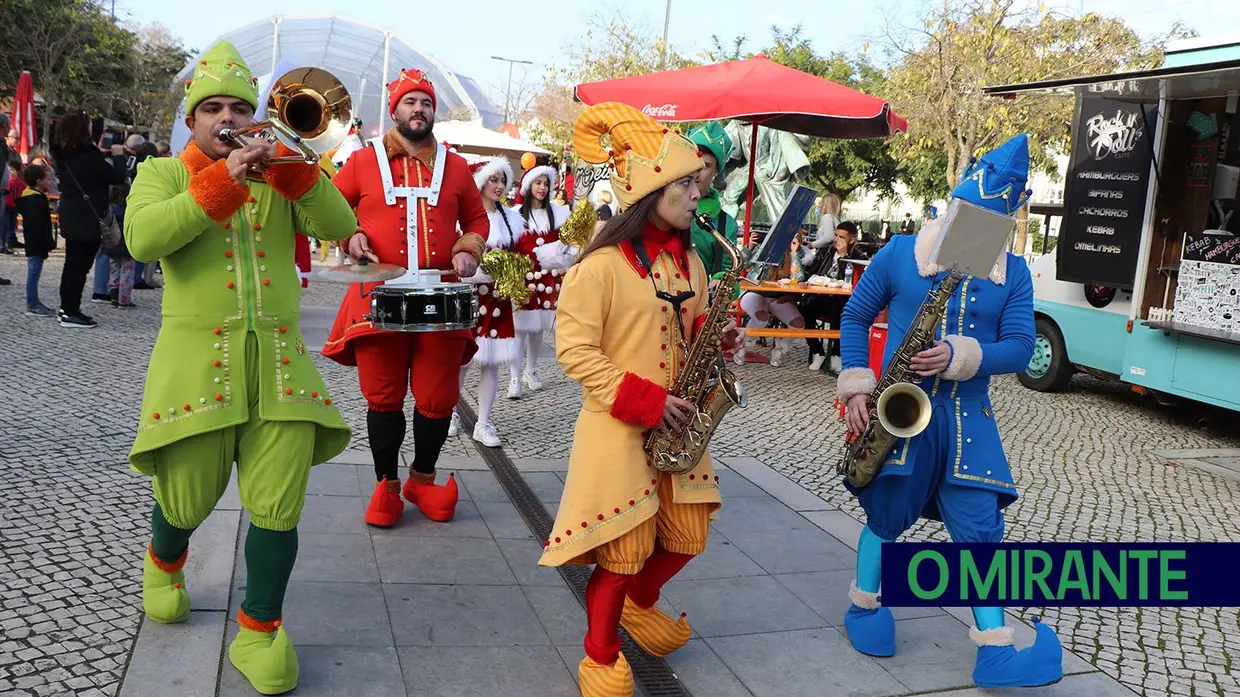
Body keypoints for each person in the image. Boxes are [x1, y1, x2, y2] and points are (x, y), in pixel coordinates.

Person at [123, 40, 356, 695]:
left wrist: (294, 172)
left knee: (278, 509)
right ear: (192, 120)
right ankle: (165, 559)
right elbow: (144, 239)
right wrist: (225, 178)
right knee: (187, 497)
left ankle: (259, 629)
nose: (227, 117)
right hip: (196, 370)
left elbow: (342, 221)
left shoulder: (281, 175)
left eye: (239, 108)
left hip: (281, 369)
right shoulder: (163, 173)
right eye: (213, 108)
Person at [836, 134, 1062, 688]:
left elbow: (1018, 346)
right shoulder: (898, 255)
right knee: (887, 517)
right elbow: (855, 319)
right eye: (968, 220)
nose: (975, 237)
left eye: (988, 227)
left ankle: (995, 649)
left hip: (967, 424)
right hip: (899, 417)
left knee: (981, 531)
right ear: (955, 205)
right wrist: (859, 386)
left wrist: (962, 355)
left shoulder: (1014, 275)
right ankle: (865, 606)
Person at [540, 102, 742, 697]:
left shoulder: (692, 265)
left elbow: (697, 329)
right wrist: (645, 400)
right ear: (649, 190)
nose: (695, 192)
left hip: (682, 424)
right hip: (619, 426)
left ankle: (638, 606)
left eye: (696, 181)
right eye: (684, 182)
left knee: (690, 533)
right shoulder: (598, 267)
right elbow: (575, 353)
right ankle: (600, 656)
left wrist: (720, 337)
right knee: (621, 551)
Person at [323, 68, 488, 527]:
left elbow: (477, 220)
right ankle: (386, 487)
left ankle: (422, 480)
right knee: (383, 395)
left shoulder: (455, 166)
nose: (419, 110)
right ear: (394, 109)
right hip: (378, 295)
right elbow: (331, 210)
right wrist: (349, 235)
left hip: (441, 299)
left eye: (426, 103)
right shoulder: (361, 161)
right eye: (410, 102)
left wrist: (467, 249)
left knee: (438, 396)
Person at [451, 157, 523, 448]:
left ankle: (483, 422)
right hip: (468, 298)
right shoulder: (461, 219)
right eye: (493, 179)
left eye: (503, 180)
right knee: (460, 363)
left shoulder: (512, 219)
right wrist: (481, 271)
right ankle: (450, 414)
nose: (499, 186)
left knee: (491, 364)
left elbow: (522, 256)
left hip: (497, 300)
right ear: (480, 181)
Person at [50, 111, 126, 327]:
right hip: (87, 218)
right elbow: (117, 177)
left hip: (71, 213)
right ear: (82, 130)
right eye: (90, 126)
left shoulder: (63, 154)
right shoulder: (89, 158)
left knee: (71, 264)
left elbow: (87, 165)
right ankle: (70, 312)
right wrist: (119, 155)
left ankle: (66, 308)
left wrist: (99, 153)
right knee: (80, 267)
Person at [509, 165, 574, 398]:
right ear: (528, 186)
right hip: (522, 279)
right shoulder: (515, 214)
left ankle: (531, 370)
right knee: (518, 329)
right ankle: (514, 377)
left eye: (546, 184)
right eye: (538, 183)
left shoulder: (558, 214)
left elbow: (568, 243)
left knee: (537, 327)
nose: (542, 188)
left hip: (547, 277)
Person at [801, 221, 868, 372]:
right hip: (820, 295)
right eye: (836, 235)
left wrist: (843, 257)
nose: (836, 240)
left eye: (841, 237)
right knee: (804, 307)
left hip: (841, 299)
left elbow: (851, 283)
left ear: (852, 240)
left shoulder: (858, 257)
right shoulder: (826, 251)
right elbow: (811, 272)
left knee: (841, 310)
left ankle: (837, 355)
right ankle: (817, 350)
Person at [734, 233, 809, 368]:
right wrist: (749, 247)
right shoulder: (764, 248)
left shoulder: (796, 253)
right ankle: (742, 347)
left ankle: (780, 349)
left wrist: (794, 253)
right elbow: (740, 265)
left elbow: (798, 278)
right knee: (761, 317)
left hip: (778, 297)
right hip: (754, 292)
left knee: (798, 324)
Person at [685, 122, 740, 301]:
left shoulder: (726, 224)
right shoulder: (660, 207)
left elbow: (727, 270)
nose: (697, 171)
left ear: (716, 170)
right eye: (694, 160)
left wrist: (721, 283)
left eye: (706, 165)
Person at [17, 164, 56, 314]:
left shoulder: (32, 198)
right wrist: (46, 243)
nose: (50, 182)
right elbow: (39, 225)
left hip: (34, 242)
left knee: (34, 272)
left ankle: (33, 302)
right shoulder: (35, 201)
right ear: (39, 181)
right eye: (48, 179)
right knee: (33, 273)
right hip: (36, 243)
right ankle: (32, 304)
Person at [106, 184, 136, 308]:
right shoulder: (130, 210)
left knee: (114, 270)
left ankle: (113, 297)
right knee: (127, 272)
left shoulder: (109, 209)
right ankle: (124, 299)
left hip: (112, 244)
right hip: (126, 245)